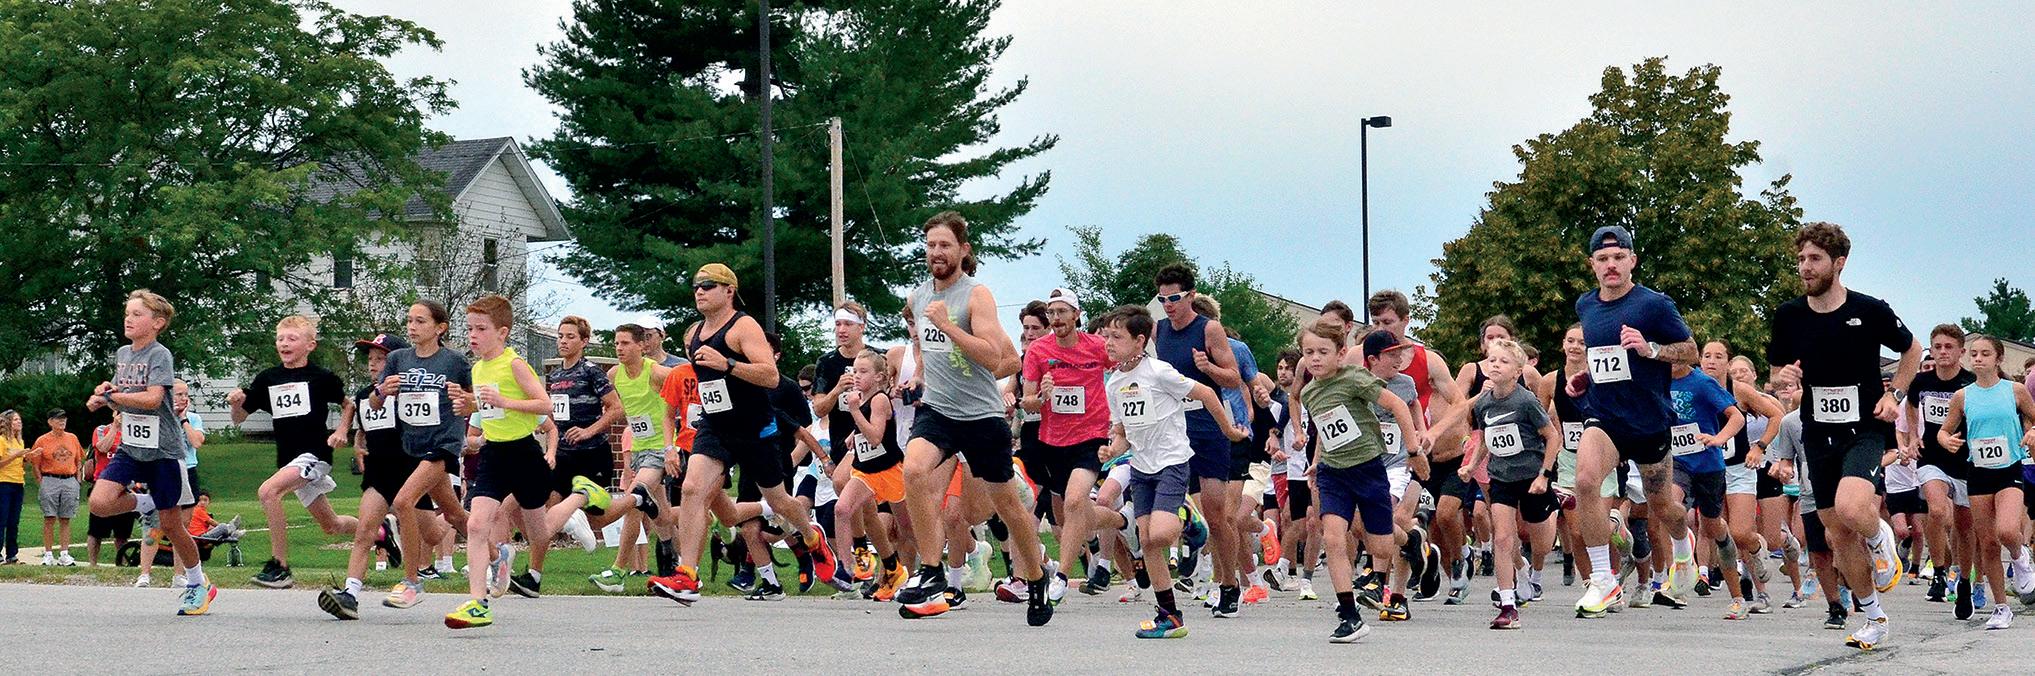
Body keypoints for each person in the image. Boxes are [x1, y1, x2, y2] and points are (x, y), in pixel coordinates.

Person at [890, 212, 1052, 625]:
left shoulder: (976, 296)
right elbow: (928, 349)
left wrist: (948, 326)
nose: (936, 252)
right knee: (914, 470)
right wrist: (920, 376)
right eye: (930, 245)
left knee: (1008, 507)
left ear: (963, 250)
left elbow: (995, 358)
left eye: (944, 245)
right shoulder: (919, 297)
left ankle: (1036, 578)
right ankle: (931, 570)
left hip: (981, 416)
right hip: (939, 410)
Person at [1767, 222, 1921, 651]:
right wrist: (1784, 379)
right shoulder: (1789, 315)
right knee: (1837, 533)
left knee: (1854, 508)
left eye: (1814, 259)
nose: (1805, 267)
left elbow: (1912, 350)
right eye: (1801, 259)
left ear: (1839, 263)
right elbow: (1776, 373)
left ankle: (1880, 537)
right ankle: (1874, 617)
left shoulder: (1869, 310)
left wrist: (1895, 394)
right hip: (1817, 432)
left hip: (1865, 427)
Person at [655, 262, 840, 606]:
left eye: (708, 285)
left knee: (779, 500)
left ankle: (812, 538)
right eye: (696, 286)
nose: (699, 291)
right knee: (692, 488)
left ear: (729, 291)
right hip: (715, 425)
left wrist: (727, 364)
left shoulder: (743, 326)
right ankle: (687, 575)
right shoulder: (694, 333)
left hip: (754, 427)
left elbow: (770, 375)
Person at [1565, 225, 1698, 619]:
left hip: (1649, 422)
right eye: (1603, 259)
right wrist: (1586, 376)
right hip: (1604, 417)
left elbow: (1690, 351)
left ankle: (1683, 545)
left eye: (1619, 257)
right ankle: (1603, 582)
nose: (1611, 265)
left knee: (1663, 506)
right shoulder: (1586, 306)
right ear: (1592, 264)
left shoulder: (1654, 305)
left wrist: (1650, 348)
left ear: (1632, 261)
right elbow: (1605, 357)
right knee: (1585, 481)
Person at [1093, 305, 1242, 638]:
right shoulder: (1115, 383)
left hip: (1171, 461)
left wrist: (1229, 431)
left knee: (1161, 534)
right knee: (1148, 542)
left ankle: (1189, 521)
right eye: (1107, 337)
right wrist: (1112, 450)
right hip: (1141, 467)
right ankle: (1170, 616)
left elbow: (1205, 392)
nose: (1109, 343)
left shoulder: (1159, 372)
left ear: (1139, 340)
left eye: (1117, 336)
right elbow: (1122, 432)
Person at [84, 289, 214, 615]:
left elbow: (153, 399)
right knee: (99, 502)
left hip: (163, 451)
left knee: (172, 526)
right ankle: (145, 502)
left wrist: (113, 396)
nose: (128, 319)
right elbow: (122, 391)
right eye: (127, 313)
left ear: (157, 323)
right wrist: (105, 393)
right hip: (131, 447)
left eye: (137, 314)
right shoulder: (123, 353)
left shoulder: (160, 355)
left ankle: (198, 584)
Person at [1297, 321, 1422, 643]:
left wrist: (1414, 451)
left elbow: (1397, 405)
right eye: (1309, 352)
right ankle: (1349, 615)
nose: (1315, 358)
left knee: (1380, 545)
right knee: (1333, 538)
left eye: (1323, 352)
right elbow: (1325, 429)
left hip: (1368, 469)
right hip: (1333, 473)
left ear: (1341, 354)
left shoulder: (1354, 378)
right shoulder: (1308, 392)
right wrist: (1316, 462)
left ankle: (1411, 541)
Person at [444, 294, 561, 628]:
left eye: (481, 329)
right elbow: (488, 408)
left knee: (539, 533)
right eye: (470, 328)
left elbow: (545, 405)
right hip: (494, 454)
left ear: (502, 332)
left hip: (524, 454)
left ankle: (580, 498)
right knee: (476, 525)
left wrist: (504, 401)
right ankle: (478, 603)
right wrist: (471, 405)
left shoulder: (514, 364)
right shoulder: (478, 368)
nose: (473, 335)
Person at [1150, 262, 1249, 617]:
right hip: (1173, 426)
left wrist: (1208, 368)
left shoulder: (1209, 329)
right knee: (1172, 501)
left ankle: (1229, 584)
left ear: (1191, 295)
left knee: (1216, 513)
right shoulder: (1158, 330)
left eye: (1174, 298)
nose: (1168, 305)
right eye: (1162, 299)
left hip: (1209, 426)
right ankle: (1188, 541)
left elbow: (1234, 378)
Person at [229, 315, 355, 589]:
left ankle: (280, 566)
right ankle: (380, 531)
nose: (284, 344)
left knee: (268, 491)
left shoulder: (321, 377)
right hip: (289, 459)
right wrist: (236, 403)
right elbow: (239, 418)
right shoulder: (268, 378)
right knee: (331, 525)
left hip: (315, 453)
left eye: (292, 339)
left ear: (310, 345)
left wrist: (342, 430)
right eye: (280, 339)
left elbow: (348, 404)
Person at [1365, 290, 1470, 602]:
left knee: (1397, 516)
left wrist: (1431, 433)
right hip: (1376, 455)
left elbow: (1459, 403)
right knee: (1376, 524)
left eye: (1387, 322)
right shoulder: (1363, 356)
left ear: (1405, 321)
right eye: (1375, 322)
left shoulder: (1428, 360)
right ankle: (1420, 547)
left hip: (1413, 454)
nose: (1381, 328)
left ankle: (1391, 593)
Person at [373, 301, 477, 610]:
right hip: (412, 446)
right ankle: (499, 556)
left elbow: (475, 401)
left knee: (403, 501)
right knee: (454, 514)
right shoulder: (397, 359)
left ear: (439, 328)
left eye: (420, 321)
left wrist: (465, 400)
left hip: (444, 443)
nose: (412, 326)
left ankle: (411, 582)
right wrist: (382, 391)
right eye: (409, 321)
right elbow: (376, 403)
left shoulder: (455, 361)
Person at [1933, 334, 2035, 630]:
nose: (1978, 359)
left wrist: (2031, 432)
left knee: (2007, 530)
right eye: (1974, 354)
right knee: (1987, 542)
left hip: (2009, 468)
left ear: (1998, 359)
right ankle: (2001, 607)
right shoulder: (1963, 396)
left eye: (1985, 354)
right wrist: (1945, 440)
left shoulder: (2014, 390)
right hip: (1978, 471)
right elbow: (1944, 430)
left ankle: (2019, 555)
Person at [1020, 288, 1115, 604]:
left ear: (1076, 314)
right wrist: (1042, 396)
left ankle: (1060, 575)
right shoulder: (1038, 351)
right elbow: (1027, 402)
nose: (1056, 318)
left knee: (1074, 501)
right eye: (1052, 313)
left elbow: (1123, 368)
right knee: (1071, 515)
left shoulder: (1097, 346)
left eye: (1062, 311)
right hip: (1053, 441)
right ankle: (1122, 521)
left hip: (1091, 437)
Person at [317, 333, 418, 619]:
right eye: (371, 359)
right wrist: (359, 442)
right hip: (379, 472)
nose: (373, 364)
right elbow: (366, 427)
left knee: (436, 530)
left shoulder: (410, 391)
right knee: (364, 531)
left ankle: (495, 556)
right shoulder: (364, 396)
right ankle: (350, 595)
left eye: (381, 359)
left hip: (412, 471)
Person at [1461, 338, 1559, 629]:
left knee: (1540, 542)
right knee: (1503, 538)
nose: (1496, 366)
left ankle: (1551, 516)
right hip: (1501, 476)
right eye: (1492, 360)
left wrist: (1544, 475)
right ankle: (1508, 605)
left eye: (1504, 362)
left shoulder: (1526, 401)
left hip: (1531, 477)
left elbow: (1552, 436)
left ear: (1518, 371)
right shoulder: (1483, 403)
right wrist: (1472, 465)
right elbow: (1485, 439)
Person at [825, 349, 914, 599]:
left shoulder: (879, 400)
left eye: (863, 372)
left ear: (879, 377)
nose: (856, 376)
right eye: (854, 371)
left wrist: (854, 411)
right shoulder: (862, 398)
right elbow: (866, 430)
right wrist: (854, 434)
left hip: (889, 470)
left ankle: (930, 571)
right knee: (842, 509)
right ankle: (848, 566)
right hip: (865, 471)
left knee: (907, 528)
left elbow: (875, 437)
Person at [1666, 352, 1748, 617]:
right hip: (1678, 461)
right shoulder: (1657, 380)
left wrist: (1719, 438)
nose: (1671, 361)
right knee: (1670, 504)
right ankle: (1679, 569)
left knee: (1713, 528)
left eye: (1676, 355)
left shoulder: (1702, 383)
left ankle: (1737, 598)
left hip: (1708, 464)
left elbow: (1736, 417)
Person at [543, 316, 625, 556]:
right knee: (550, 505)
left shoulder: (591, 372)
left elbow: (616, 408)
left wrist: (588, 431)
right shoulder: (555, 376)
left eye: (570, 337)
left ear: (584, 341)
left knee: (596, 518)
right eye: (560, 336)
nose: (563, 341)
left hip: (592, 454)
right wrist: (545, 425)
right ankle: (535, 570)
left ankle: (635, 501)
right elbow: (555, 412)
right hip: (563, 454)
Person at [1908, 324, 1975, 608]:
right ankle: (1938, 572)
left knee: (1964, 526)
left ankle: (1963, 577)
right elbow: (1911, 405)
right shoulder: (1921, 382)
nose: (1943, 352)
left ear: (1961, 351)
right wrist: (1913, 436)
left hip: (1966, 459)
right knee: (1936, 510)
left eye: (1949, 347)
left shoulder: (1971, 383)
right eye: (1937, 347)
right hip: (1932, 456)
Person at [30, 409, 86, 566]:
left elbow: (78, 459)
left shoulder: (72, 438)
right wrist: (41, 481)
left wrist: (78, 478)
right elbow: (35, 463)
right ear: (50, 422)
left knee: (66, 518)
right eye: (58, 419)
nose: (62, 421)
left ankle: (64, 553)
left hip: (69, 479)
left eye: (64, 418)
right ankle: (48, 554)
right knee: (49, 517)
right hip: (50, 478)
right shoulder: (42, 440)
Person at [83, 414, 136, 568]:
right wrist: (115, 427)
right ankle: (93, 564)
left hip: (126, 485)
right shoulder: (101, 430)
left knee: (122, 533)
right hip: (103, 483)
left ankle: (122, 563)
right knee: (96, 531)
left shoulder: (132, 431)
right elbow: (102, 447)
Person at [0, 410, 25, 564]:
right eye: (15, 419)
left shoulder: (19, 441)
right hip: (3, 483)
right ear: (8, 422)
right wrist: (16, 455)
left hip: (18, 482)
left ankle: (11, 553)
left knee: (13, 520)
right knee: (1, 518)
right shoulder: (1, 440)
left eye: (19, 419)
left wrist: (28, 456)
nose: (19, 422)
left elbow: (19, 462)